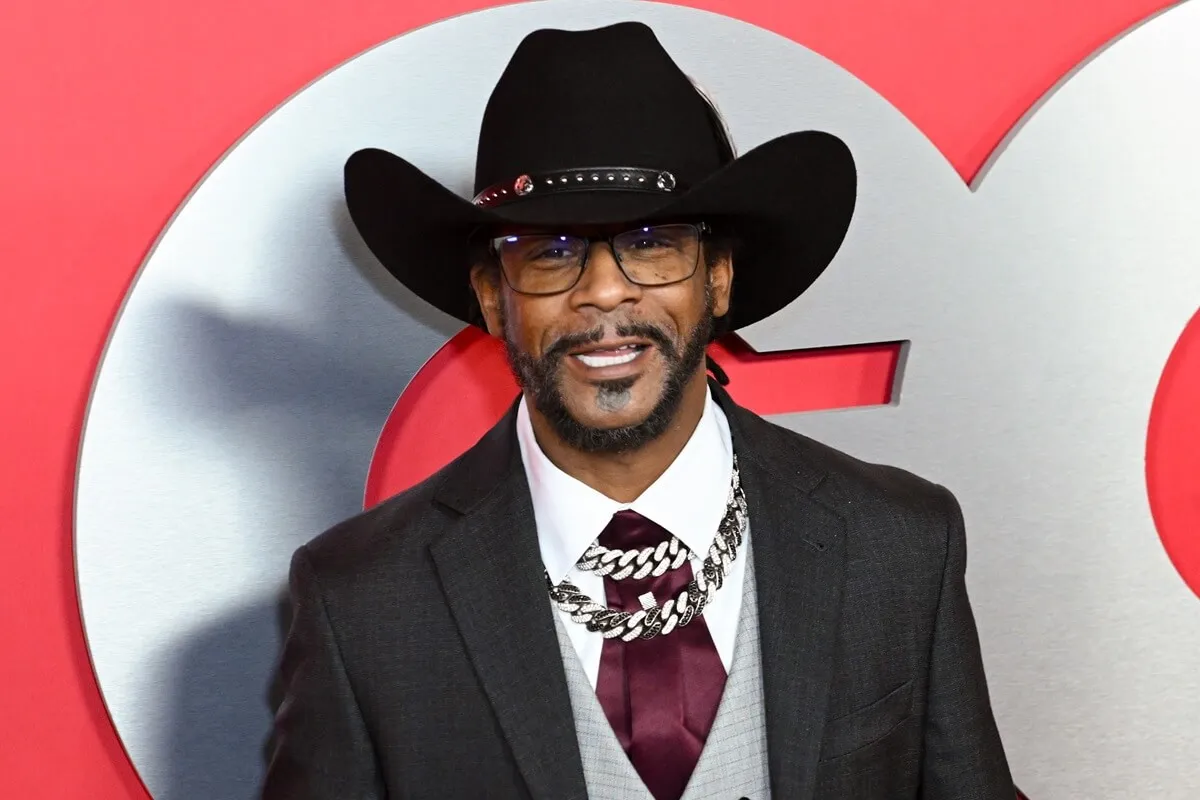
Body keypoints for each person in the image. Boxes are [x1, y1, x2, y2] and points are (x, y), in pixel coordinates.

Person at [262, 20, 1013, 800]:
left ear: (718, 279)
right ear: (493, 298)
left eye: (652, 243)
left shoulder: (899, 543)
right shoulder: (363, 601)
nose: (605, 291)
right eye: (551, 252)